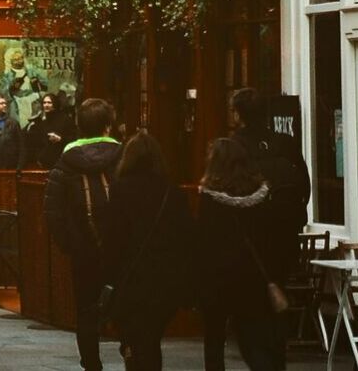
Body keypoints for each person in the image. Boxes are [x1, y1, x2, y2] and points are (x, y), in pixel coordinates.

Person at [217, 89, 309, 371]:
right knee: (274, 311)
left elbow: (221, 199)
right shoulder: (285, 143)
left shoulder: (230, 148)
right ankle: (275, 360)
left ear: (236, 114)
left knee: (248, 319)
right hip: (282, 243)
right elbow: (303, 188)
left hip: (246, 247)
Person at [99, 132, 195, 371]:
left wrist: (108, 275)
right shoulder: (172, 192)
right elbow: (186, 237)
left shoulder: (120, 190)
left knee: (136, 339)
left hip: (132, 279)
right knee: (151, 338)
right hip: (165, 280)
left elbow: (114, 239)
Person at [45, 97, 123, 371]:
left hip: (84, 249)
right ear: (108, 126)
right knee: (127, 303)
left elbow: (53, 211)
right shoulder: (124, 157)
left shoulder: (66, 162)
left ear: (79, 126)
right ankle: (133, 352)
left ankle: (92, 364)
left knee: (86, 310)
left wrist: (71, 244)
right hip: (122, 247)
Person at [196, 137, 286, 371]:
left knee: (214, 341)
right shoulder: (263, 197)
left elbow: (203, 242)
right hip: (252, 279)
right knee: (252, 339)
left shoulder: (209, 199)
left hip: (218, 281)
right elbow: (272, 240)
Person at [28, 93, 74, 169]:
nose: (46, 105)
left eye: (49, 102)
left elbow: (73, 138)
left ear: (55, 104)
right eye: (44, 103)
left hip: (61, 163)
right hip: (44, 165)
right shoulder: (41, 122)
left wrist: (60, 139)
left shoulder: (65, 120)